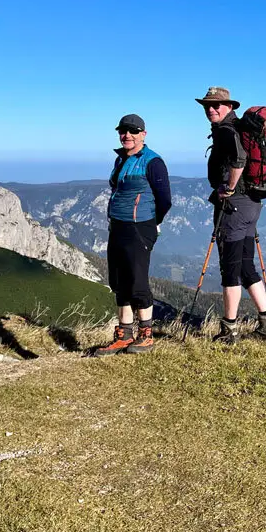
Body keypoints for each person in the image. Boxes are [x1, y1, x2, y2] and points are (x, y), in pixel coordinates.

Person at [196, 86, 266, 343]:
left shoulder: (226, 130)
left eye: (216, 105)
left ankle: (229, 330)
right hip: (251, 204)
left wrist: (228, 188)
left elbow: (239, 160)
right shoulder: (239, 129)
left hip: (234, 207)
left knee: (230, 269)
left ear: (229, 106)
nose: (211, 109)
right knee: (245, 266)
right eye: (207, 106)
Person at [94, 113, 172, 356]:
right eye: (123, 131)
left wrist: (152, 223)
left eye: (133, 131)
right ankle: (124, 333)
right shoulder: (121, 160)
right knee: (119, 281)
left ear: (143, 134)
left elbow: (165, 200)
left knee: (138, 280)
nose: (127, 135)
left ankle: (145, 335)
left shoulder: (152, 161)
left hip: (140, 226)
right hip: (118, 225)